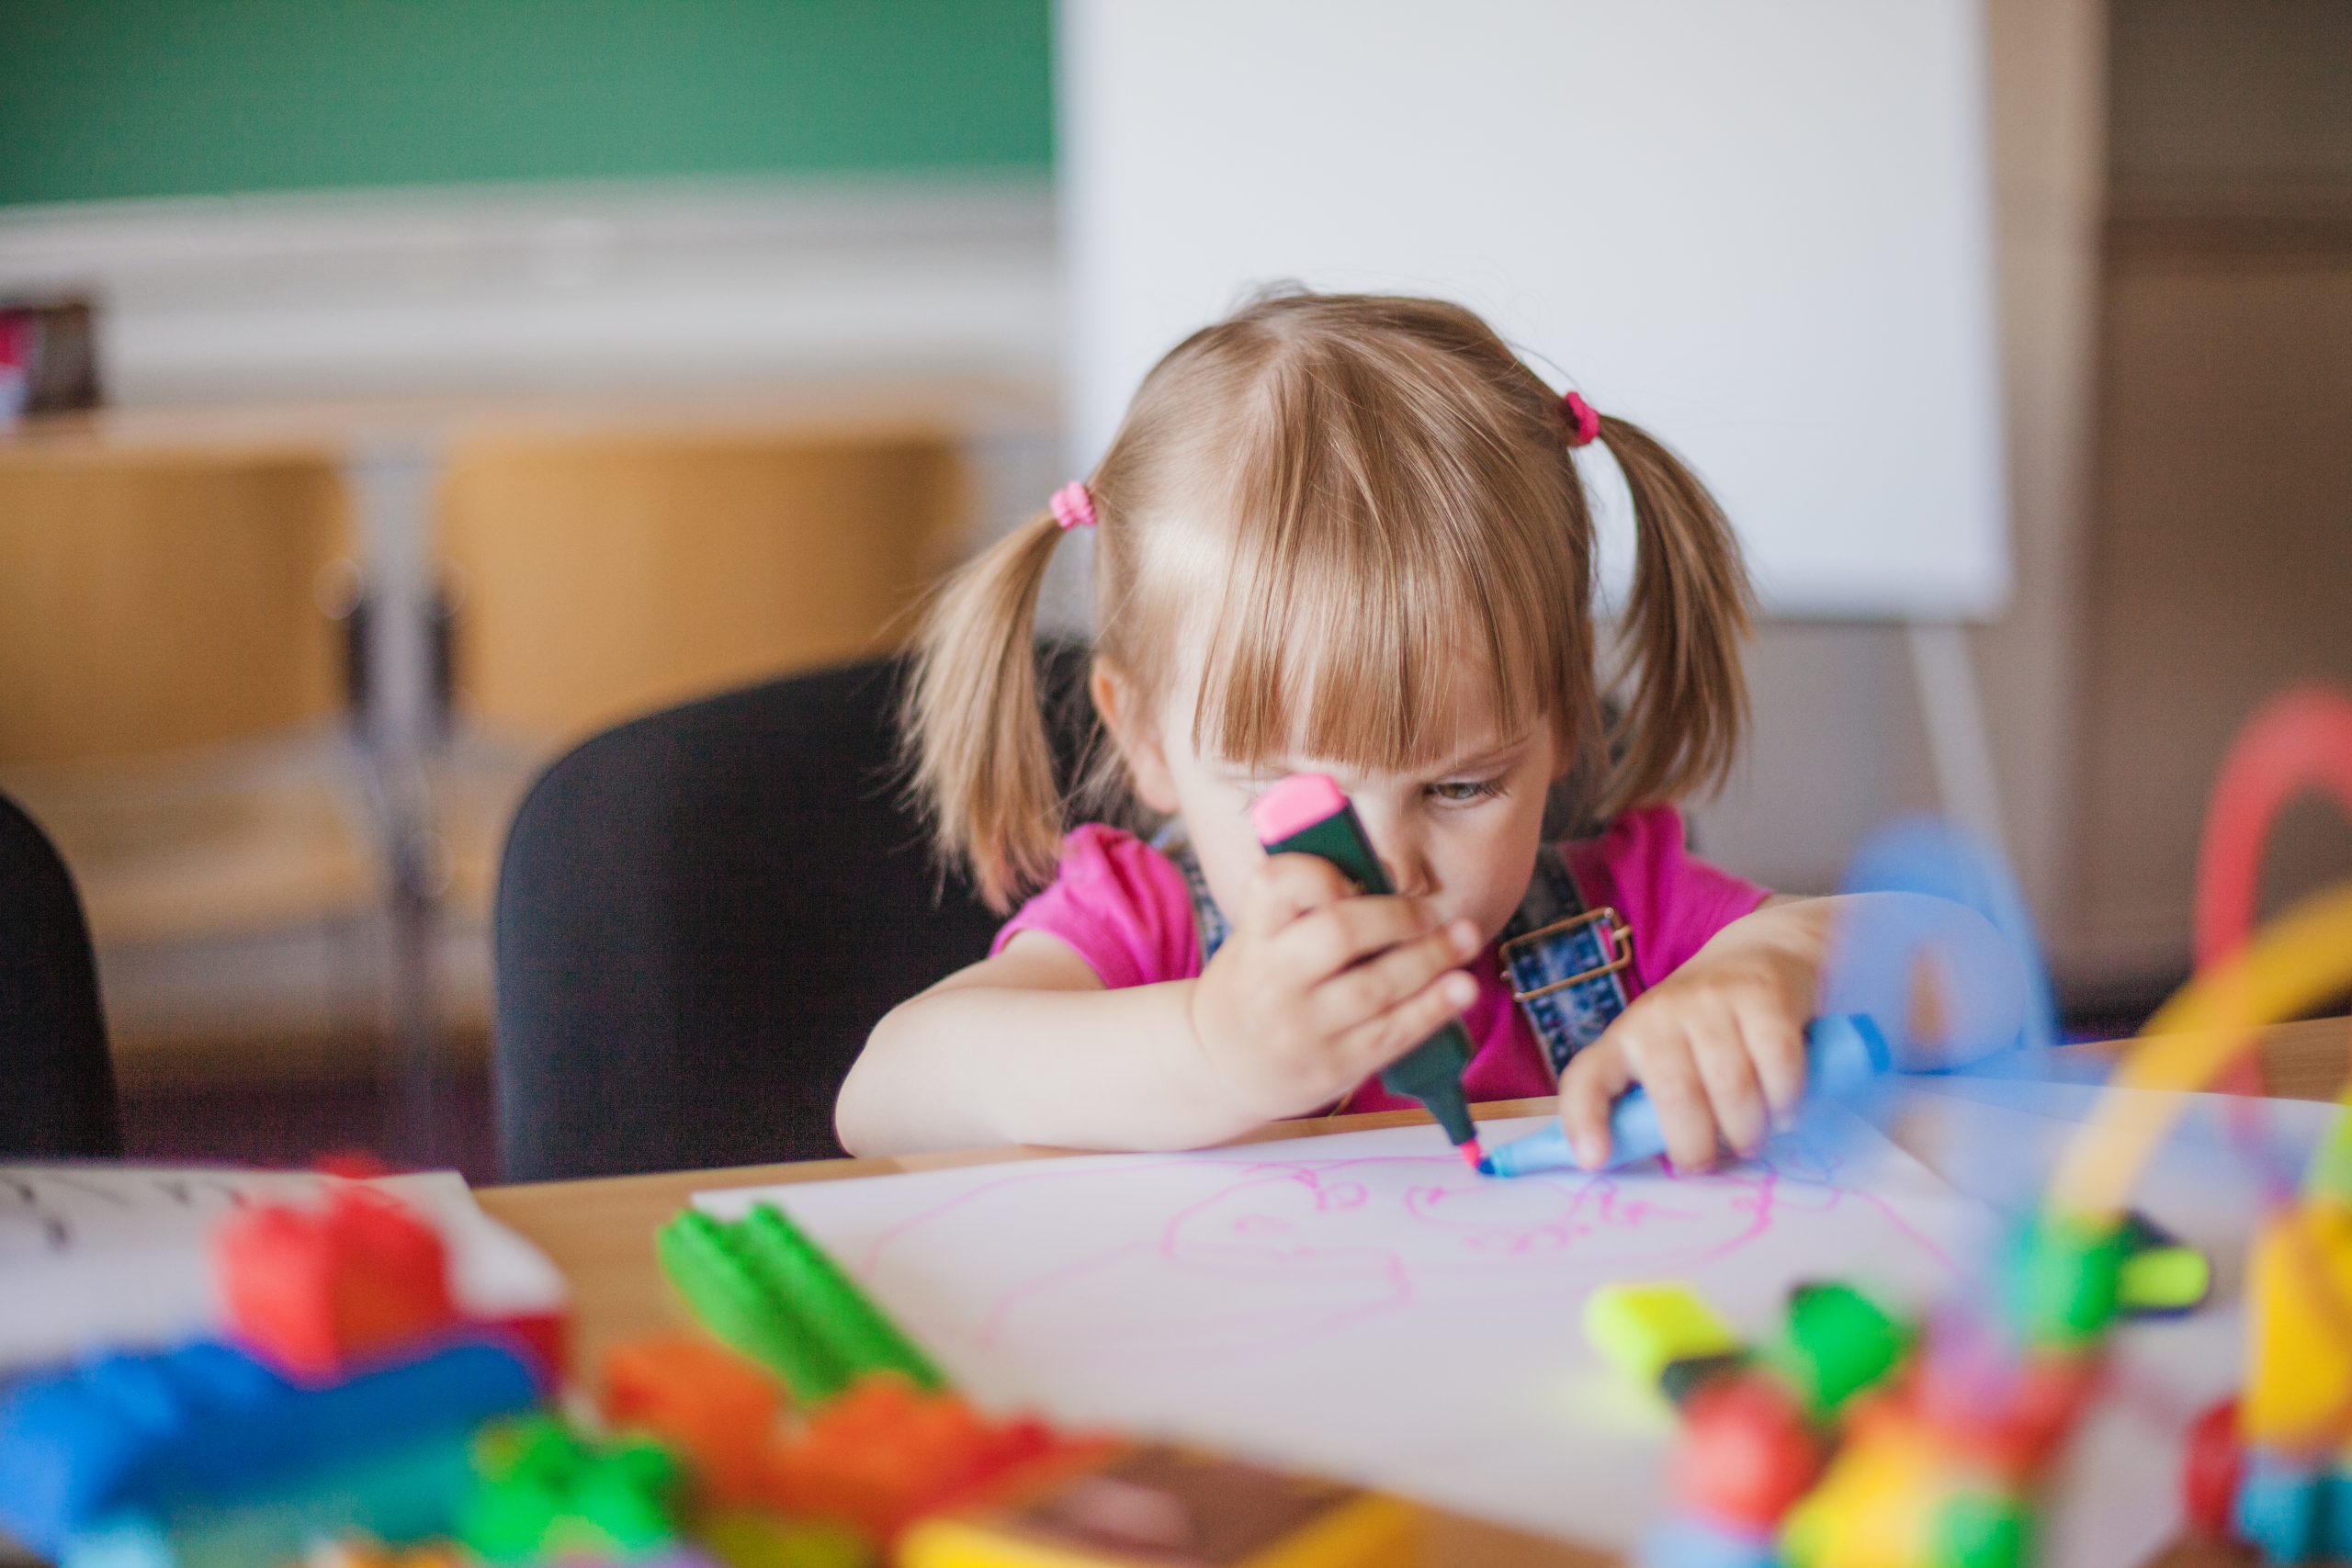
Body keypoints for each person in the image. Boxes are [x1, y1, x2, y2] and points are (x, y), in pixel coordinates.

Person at [838, 290, 2013, 1166]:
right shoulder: (1139, 929)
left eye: (1457, 790)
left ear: (1557, 729)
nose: (1388, 868)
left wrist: (1774, 968)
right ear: (1143, 738)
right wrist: (1212, 1048)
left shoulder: (1622, 918)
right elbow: (883, 1096)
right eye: (1291, 800)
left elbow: (1980, 974)